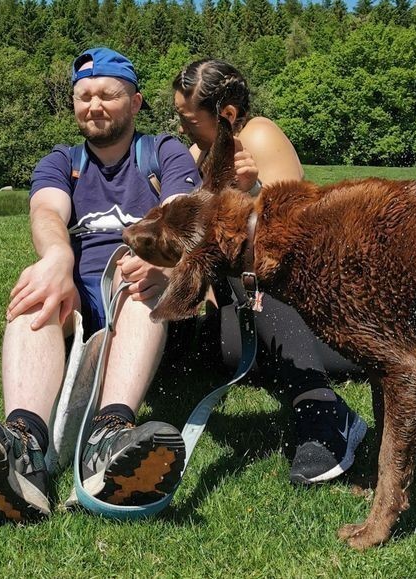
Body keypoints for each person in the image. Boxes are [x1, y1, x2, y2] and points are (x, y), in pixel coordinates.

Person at [0, 47, 202, 522]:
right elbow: (47, 211)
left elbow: (183, 211)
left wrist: (165, 255)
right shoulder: (63, 161)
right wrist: (56, 257)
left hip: (144, 302)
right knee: (35, 292)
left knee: (132, 270)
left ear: (135, 103)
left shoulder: (162, 153)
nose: (94, 105)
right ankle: (23, 452)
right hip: (77, 305)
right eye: (84, 96)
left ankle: (108, 436)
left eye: (108, 95)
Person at [172, 59, 368, 485]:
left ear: (224, 114)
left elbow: (293, 239)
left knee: (256, 286)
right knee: (181, 338)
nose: (181, 127)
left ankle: (323, 412)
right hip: (245, 323)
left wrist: (254, 191)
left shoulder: (258, 135)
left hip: (311, 314)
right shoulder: (193, 157)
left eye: (188, 119)